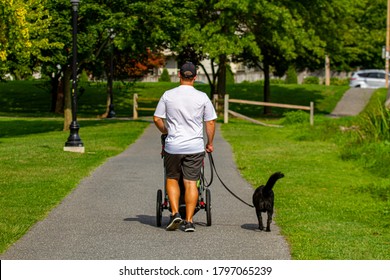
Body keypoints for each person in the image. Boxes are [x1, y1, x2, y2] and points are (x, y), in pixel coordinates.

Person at [153, 62, 217, 232]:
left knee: (172, 178)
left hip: (173, 146)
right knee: (191, 183)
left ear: (179, 75)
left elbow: (157, 118)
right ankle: (189, 221)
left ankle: (175, 213)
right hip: (194, 147)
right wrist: (209, 143)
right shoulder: (202, 97)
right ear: (195, 77)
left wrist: (166, 132)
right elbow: (210, 122)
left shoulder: (168, 95)